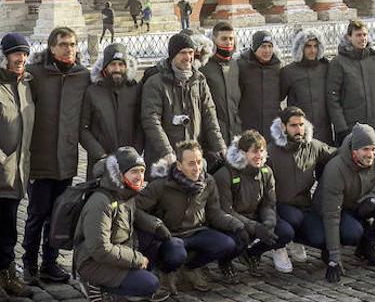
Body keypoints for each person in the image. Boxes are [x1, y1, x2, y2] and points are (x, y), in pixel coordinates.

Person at [23, 27, 90, 284]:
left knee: (58, 213)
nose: (68, 49)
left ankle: (49, 263)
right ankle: (29, 263)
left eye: (72, 44)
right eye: (62, 44)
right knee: (37, 213)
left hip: (66, 158)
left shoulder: (82, 76)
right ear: (51, 47)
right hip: (39, 157)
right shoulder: (36, 75)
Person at [137, 141, 244, 290]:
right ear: (179, 166)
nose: (197, 168)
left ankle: (191, 268)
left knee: (229, 243)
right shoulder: (161, 185)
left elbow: (214, 212)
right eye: (191, 163)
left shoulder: (208, 181)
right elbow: (135, 208)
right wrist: (156, 225)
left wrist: (236, 224)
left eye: (199, 162)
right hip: (171, 235)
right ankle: (166, 272)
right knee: (176, 254)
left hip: (197, 231)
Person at [74, 147, 172, 302]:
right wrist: (136, 259)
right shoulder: (100, 202)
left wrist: (156, 226)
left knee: (157, 241)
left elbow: (134, 214)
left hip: (119, 250)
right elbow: (100, 249)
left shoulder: (125, 191)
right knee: (150, 284)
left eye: (141, 171)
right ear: (119, 174)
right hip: (92, 262)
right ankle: (95, 284)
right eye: (134, 171)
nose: (140, 176)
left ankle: (126, 282)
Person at [313, 123, 375, 283]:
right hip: (336, 208)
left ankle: (366, 246)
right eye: (365, 149)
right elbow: (331, 215)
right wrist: (334, 259)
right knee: (353, 233)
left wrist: (373, 197)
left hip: (361, 202)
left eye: (373, 149)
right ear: (354, 151)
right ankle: (330, 249)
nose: (371, 154)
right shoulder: (336, 168)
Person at [141, 32, 226, 173]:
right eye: (182, 53)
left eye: (191, 52)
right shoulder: (156, 83)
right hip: (166, 158)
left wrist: (220, 146)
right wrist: (167, 152)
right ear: (173, 55)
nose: (188, 57)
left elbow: (209, 115)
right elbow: (151, 120)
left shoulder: (199, 80)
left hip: (193, 158)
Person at [214, 130, 294, 276]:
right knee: (238, 239)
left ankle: (252, 253)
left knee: (285, 232)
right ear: (242, 153)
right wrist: (254, 227)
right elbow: (226, 210)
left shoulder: (266, 172)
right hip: (232, 222)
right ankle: (225, 262)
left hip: (255, 217)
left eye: (262, 151)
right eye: (254, 152)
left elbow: (268, 203)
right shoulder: (225, 175)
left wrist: (269, 222)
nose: (259, 156)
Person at [266, 107, 335, 269]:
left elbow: (335, 154)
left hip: (303, 205)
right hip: (279, 207)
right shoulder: (271, 151)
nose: (299, 130)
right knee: (293, 219)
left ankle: (296, 240)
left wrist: (358, 147)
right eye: (293, 125)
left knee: (320, 237)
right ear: (283, 127)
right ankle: (279, 246)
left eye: (301, 125)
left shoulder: (313, 146)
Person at [0, 33, 35, 298]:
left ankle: (6, 273)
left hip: (17, 171)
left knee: (9, 227)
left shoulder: (25, 85)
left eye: (23, 54)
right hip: (2, 169)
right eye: (15, 53)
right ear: (5, 56)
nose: (20, 58)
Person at [80, 43, 143, 179]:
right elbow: (83, 129)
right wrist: (101, 155)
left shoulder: (134, 89)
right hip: (100, 162)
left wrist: (134, 153)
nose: (117, 69)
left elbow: (141, 124)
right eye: (113, 64)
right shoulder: (92, 92)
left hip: (129, 164)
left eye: (121, 65)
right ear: (105, 67)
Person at [327, 20, 375, 146]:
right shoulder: (338, 62)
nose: (362, 38)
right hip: (351, 126)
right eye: (358, 35)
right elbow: (332, 97)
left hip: (374, 124)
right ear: (349, 37)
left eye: (364, 35)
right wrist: (341, 128)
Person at [280, 29, 332, 144]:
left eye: (315, 46)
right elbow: (277, 98)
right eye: (308, 46)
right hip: (299, 132)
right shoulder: (289, 72)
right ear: (300, 48)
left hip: (324, 130)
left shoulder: (325, 67)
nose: (312, 50)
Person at [199, 22, 242, 145]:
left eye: (231, 39)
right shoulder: (204, 67)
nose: (228, 42)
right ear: (214, 41)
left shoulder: (236, 65)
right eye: (224, 39)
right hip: (212, 134)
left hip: (235, 132)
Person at [238, 30, 282, 140]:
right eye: (263, 46)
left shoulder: (277, 67)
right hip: (249, 126)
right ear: (254, 48)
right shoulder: (242, 66)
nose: (267, 50)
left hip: (272, 128)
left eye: (269, 46)